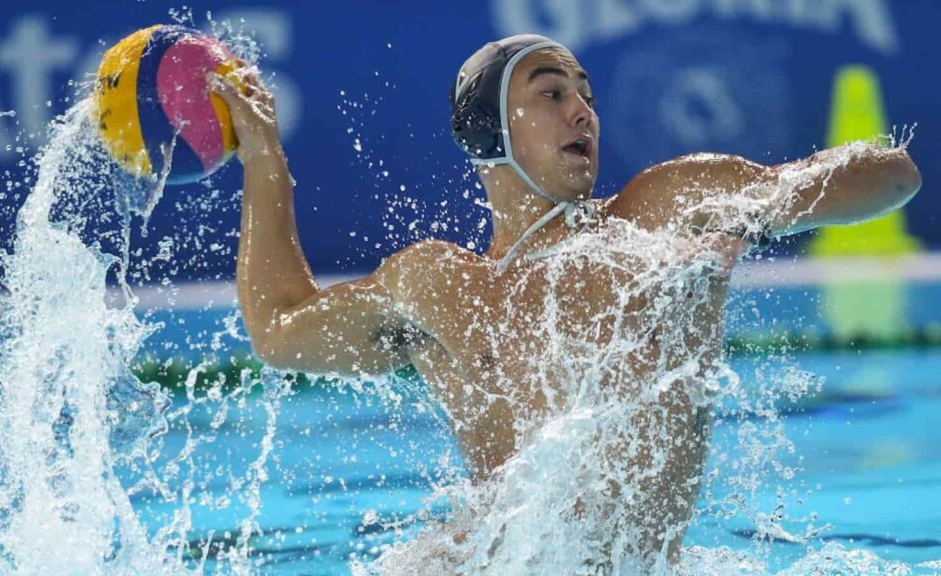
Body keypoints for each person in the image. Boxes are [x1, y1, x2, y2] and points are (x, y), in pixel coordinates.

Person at [210, 34, 921, 570]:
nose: (582, 110)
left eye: (585, 94)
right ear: (484, 131)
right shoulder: (437, 285)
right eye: (552, 93)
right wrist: (264, 160)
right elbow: (277, 330)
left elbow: (895, 175)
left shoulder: (660, 214)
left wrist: (748, 212)